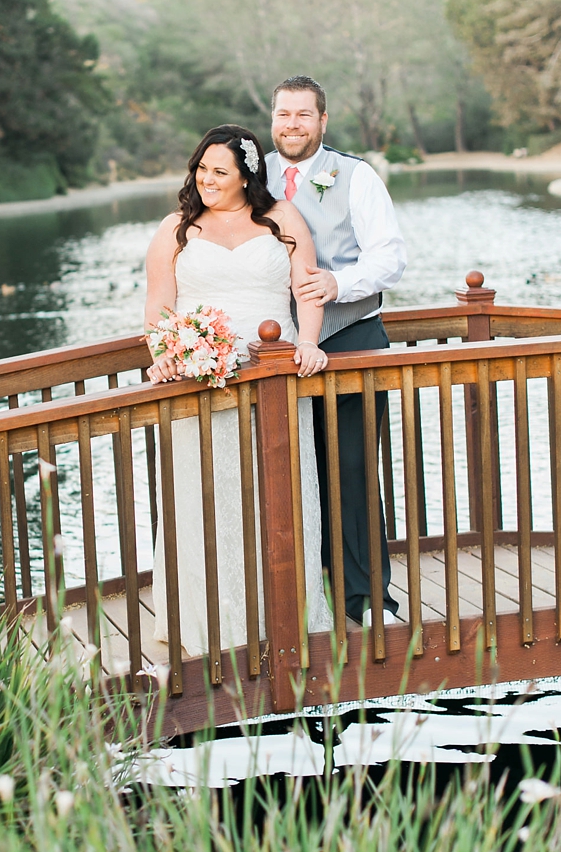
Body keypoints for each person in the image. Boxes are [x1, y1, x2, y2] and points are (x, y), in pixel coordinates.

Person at [144, 123, 333, 657]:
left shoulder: (280, 219)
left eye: (219, 171)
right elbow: (159, 303)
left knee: (279, 487)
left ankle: (285, 612)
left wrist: (312, 342)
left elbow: (307, 286)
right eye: (201, 169)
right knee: (206, 496)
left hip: (274, 377)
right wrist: (165, 357)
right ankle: (208, 621)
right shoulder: (175, 228)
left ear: (246, 176)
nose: (206, 179)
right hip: (198, 381)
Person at [265, 75, 407, 625]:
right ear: (272, 118)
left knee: (349, 473)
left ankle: (368, 602)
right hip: (273, 354)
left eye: (304, 115)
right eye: (283, 114)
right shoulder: (254, 178)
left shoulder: (356, 175)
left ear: (322, 121)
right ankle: (293, 602)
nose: (292, 124)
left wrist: (337, 284)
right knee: (282, 476)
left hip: (351, 340)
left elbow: (390, 256)